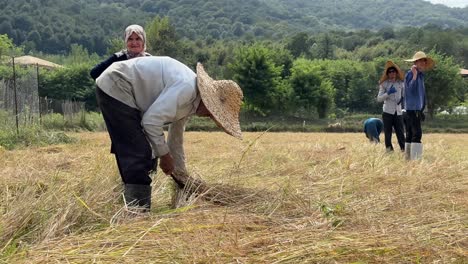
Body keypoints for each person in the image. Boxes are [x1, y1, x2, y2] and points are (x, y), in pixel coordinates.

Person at [95, 56, 243, 211]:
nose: (210, 117)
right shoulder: (186, 89)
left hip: (128, 93)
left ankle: (134, 206)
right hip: (117, 84)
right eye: (213, 114)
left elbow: (175, 141)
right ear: (208, 101)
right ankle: (137, 214)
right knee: (138, 152)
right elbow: (151, 121)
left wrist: (181, 174)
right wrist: (165, 156)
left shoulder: (191, 103)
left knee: (146, 151)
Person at [403, 51, 435, 160]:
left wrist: (422, 109)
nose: (424, 63)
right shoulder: (410, 74)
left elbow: (421, 95)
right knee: (416, 133)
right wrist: (415, 76)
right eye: (422, 61)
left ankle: (408, 158)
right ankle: (415, 160)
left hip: (416, 109)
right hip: (412, 108)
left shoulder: (421, 75)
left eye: (424, 61)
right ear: (416, 62)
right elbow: (409, 90)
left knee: (411, 133)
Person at [377, 61, 406, 152]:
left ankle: (403, 149)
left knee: (400, 132)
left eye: (393, 71)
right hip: (387, 112)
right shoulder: (384, 84)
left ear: (396, 72)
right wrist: (388, 93)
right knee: (388, 133)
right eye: (390, 72)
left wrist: (402, 99)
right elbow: (379, 99)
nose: (392, 73)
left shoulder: (401, 83)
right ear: (387, 74)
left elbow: (405, 95)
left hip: (398, 111)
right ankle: (389, 151)